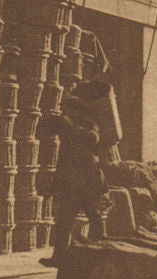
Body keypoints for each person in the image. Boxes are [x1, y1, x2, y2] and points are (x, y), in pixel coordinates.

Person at [38, 96, 109, 268]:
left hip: (88, 180)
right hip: (72, 181)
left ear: (74, 110)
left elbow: (91, 139)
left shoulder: (89, 126)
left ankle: (102, 253)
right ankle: (59, 257)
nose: (63, 111)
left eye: (66, 108)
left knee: (95, 217)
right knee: (64, 220)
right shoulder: (65, 124)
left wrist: (68, 124)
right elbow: (46, 127)